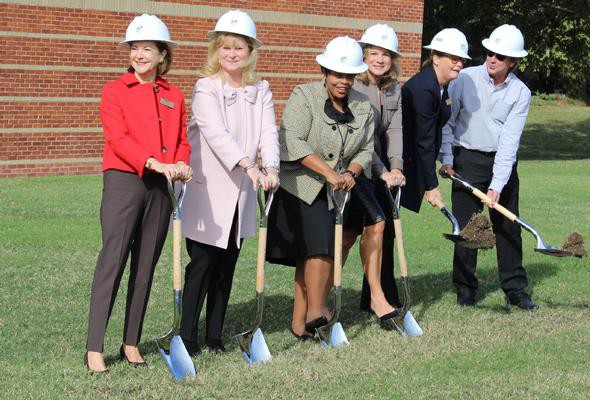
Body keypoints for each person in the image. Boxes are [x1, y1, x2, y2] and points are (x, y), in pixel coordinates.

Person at [266, 36, 397, 341]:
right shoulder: (304, 95)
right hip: (301, 185)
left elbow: (366, 148)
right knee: (318, 249)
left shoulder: (362, 106)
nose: (344, 81)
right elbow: (292, 140)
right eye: (338, 74)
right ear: (324, 72)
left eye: (349, 75)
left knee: (316, 252)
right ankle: (315, 312)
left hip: (338, 187)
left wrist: (352, 171)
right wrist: (328, 173)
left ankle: (301, 323)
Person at [85, 14, 192, 373]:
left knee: (145, 266)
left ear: (163, 55)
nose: (139, 54)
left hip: (161, 187)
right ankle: (94, 348)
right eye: (134, 47)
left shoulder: (174, 95)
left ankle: (131, 342)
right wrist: (152, 162)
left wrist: (181, 163)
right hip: (124, 181)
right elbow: (117, 138)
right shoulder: (114, 90)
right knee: (112, 261)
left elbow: (180, 141)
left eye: (147, 48)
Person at [179, 9, 280, 356]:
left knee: (227, 266)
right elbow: (215, 133)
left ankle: (214, 336)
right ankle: (187, 337)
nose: (232, 53)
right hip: (208, 192)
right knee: (202, 265)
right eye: (226, 47)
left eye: (239, 47)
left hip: (241, 193)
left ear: (251, 51)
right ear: (216, 51)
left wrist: (271, 167)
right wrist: (248, 165)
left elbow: (268, 131)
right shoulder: (206, 87)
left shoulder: (261, 89)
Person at [439, 25, 537, 310]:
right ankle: (465, 290)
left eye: (500, 56)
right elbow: (448, 122)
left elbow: (509, 142)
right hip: (466, 160)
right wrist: (447, 158)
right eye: (490, 52)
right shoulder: (464, 79)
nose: (492, 59)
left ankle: (515, 288)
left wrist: (497, 185)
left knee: (508, 227)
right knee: (467, 229)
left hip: (501, 163)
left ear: (513, 62)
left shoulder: (521, 93)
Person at [353, 24, 406, 311]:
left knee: (382, 232)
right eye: (374, 53)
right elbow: (362, 137)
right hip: (356, 166)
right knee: (351, 235)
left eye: (385, 54)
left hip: (381, 167)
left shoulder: (393, 87)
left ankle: (377, 296)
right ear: (364, 54)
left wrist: (396, 166)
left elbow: (395, 131)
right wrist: (380, 170)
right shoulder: (355, 86)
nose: (379, 59)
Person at [401, 28, 470, 213]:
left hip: (415, 161)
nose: (459, 64)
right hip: (400, 164)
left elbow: (439, 128)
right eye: (454, 59)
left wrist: (444, 159)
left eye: (461, 60)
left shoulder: (441, 87)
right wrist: (430, 185)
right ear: (436, 58)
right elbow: (425, 140)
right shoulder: (425, 89)